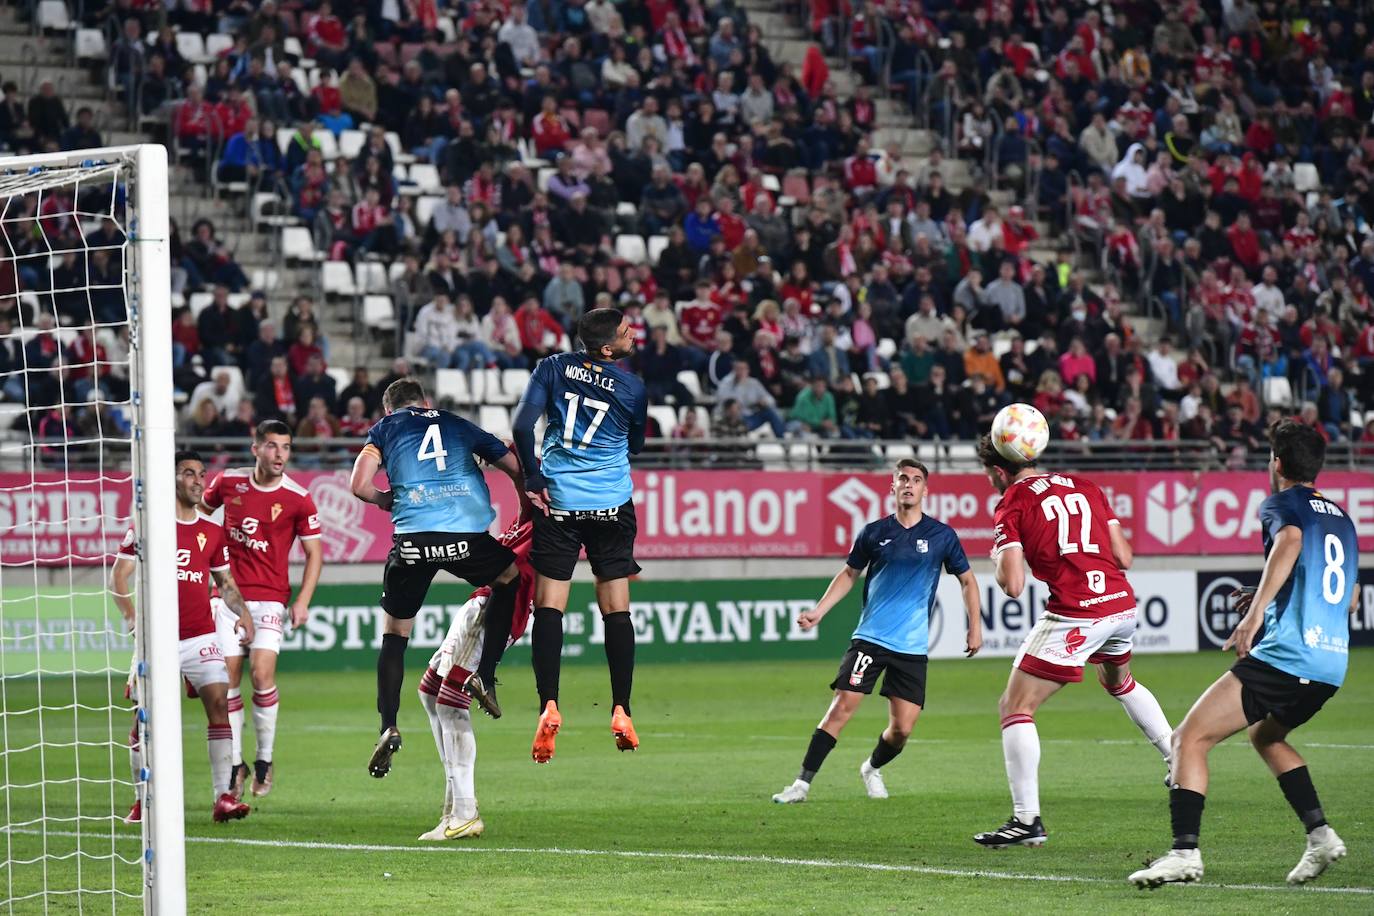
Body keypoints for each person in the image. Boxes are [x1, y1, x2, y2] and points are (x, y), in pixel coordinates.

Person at [1129, 421, 1358, 889]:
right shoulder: (1342, 518)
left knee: (1187, 739)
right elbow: (1349, 597)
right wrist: (1268, 593)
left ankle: (1184, 853)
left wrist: (1254, 616)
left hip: (1287, 657)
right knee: (1267, 737)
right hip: (1330, 663)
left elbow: (1290, 541)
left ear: (1276, 463)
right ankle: (1320, 835)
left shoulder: (1280, 504)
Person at [972, 435, 1174, 848]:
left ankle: (1027, 820)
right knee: (1120, 682)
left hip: (1078, 612)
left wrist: (997, 560)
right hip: (1120, 604)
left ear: (997, 471)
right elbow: (1124, 557)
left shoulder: (1013, 500)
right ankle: (1178, 759)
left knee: (1015, 706)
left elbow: (1012, 585)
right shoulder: (1086, 486)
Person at [771, 460, 981, 804]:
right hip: (870, 638)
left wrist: (975, 626)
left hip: (912, 647)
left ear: (925, 491)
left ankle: (870, 768)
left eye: (916, 480)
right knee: (841, 707)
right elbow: (849, 574)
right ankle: (801, 785)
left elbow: (968, 580)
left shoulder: (942, 536)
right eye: (903, 479)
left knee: (902, 730)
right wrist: (819, 611)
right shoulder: (873, 532)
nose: (909, 485)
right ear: (893, 487)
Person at [350, 378, 529, 777]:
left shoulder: (384, 429)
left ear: (389, 409)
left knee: (395, 636)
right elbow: (515, 467)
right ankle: (485, 675)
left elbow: (359, 486)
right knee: (509, 577)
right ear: (426, 401)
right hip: (465, 537)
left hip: (413, 541)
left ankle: (388, 726)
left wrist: (383, 500)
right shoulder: (456, 423)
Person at [511, 308, 647, 762]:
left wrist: (533, 477)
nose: (633, 336)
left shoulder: (550, 368)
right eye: (626, 333)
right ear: (607, 349)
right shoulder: (632, 387)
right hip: (612, 506)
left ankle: (549, 703)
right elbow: (636, 444)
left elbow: (519, 426)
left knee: (549, 607)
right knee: (616, 608)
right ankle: (622, 709)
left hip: (561, 504)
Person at [114, 450, 256, 824]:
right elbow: (118, 577)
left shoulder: (211, 530)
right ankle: (141, 800)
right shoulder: (148, 524)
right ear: (171, 479)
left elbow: (224, 581)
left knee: (219, 705)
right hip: (156, 640)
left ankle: (222, 797)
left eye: (200, 474)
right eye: (188, 473)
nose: (197, 480)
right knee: (143, 720)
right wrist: (132, 618)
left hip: (200, 636)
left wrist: (243, 613)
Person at [201, 422, 325, 799]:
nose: (279, 455)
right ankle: (236, 763)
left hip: (270, 598)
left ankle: (265, 759)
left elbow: (314, 554)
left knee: (260, 672)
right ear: (255, 449)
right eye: (271, 446)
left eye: (285, 447)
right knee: (226, 683)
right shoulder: (227, 484)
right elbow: (199, 519)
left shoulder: (299, 498)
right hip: (228, 596)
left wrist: (302, 600)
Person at [416, 515, 535, 841]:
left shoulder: (552, 519)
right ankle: (456, 802)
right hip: (482, 600)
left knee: (450, 704)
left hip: (495, 610)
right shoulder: (530, 511)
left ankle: (465, 812)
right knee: (429, 692)